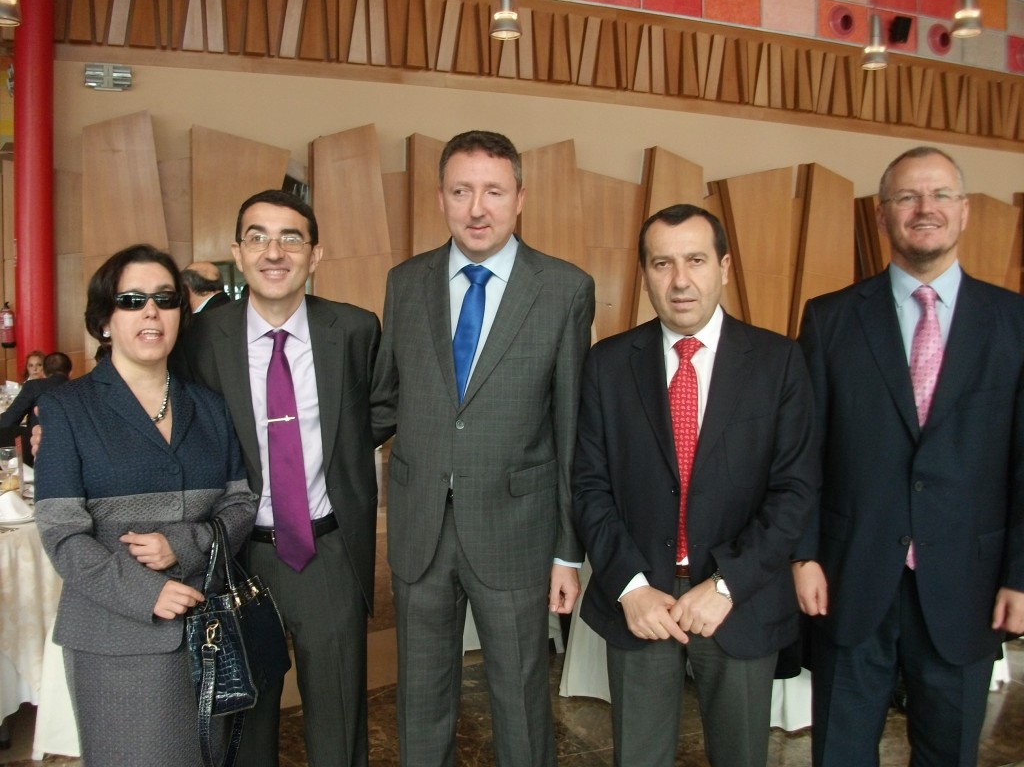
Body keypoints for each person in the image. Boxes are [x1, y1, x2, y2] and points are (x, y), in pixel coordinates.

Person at [371, 130, 596, 766]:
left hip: (517, 531)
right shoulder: (405, 282)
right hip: (420, 529)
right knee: (420, 699)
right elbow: (384, 401)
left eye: (493, 192)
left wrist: (568, 553)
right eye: (461, 191)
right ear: (440, 198)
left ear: (519, 198)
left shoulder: (564, 289)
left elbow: (571, 428)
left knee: (520, 702)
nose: (477, 209)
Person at [794, 146, 1024, 766]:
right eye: (907, 196)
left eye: (941, 195)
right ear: (881, 214)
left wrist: (1021, 575)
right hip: (849, 578)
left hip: (969, 585)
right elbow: (804, 452)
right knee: (840, 753)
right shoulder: (830, 319)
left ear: (964, 210)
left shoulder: (1015, 322)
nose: (926, 209)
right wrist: (803, 555)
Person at [572, 204, 817, 766]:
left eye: (696, 260)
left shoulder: (778, 361)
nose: (680, 280)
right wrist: (630, 587)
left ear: (724, 267)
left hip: (739, 602)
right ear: (645, 274)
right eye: (662, 263)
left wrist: (726, 585)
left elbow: (795, 490)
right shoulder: (608, 365)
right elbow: (588, 487)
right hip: (641, 603)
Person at [176, 189, 381, 767]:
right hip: (237, 554)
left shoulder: (355, 329)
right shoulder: (200, 342)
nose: (274, 252)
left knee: (339, 717)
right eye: (258, 237)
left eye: (291, 238)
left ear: (315, 255)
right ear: (238, 253)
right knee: (247, 721)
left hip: (328, 550)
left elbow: (382, 406)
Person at [33, 244, 256, 767]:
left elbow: (241, 502)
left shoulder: (210, 406)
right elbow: (62, 532)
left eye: (164, 298)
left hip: (207, 633)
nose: (151, 311)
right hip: (115, 640)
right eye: (131, 300)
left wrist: (184, 543)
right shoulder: (67, 407)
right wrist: (146, 591)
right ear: (104, 320)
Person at [0, 351, 72, 465]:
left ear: (44, 372)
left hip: (38, 452)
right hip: (73, 452)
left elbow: (8, 421)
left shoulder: (33, 386)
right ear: (71, 373)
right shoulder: (80, 389)